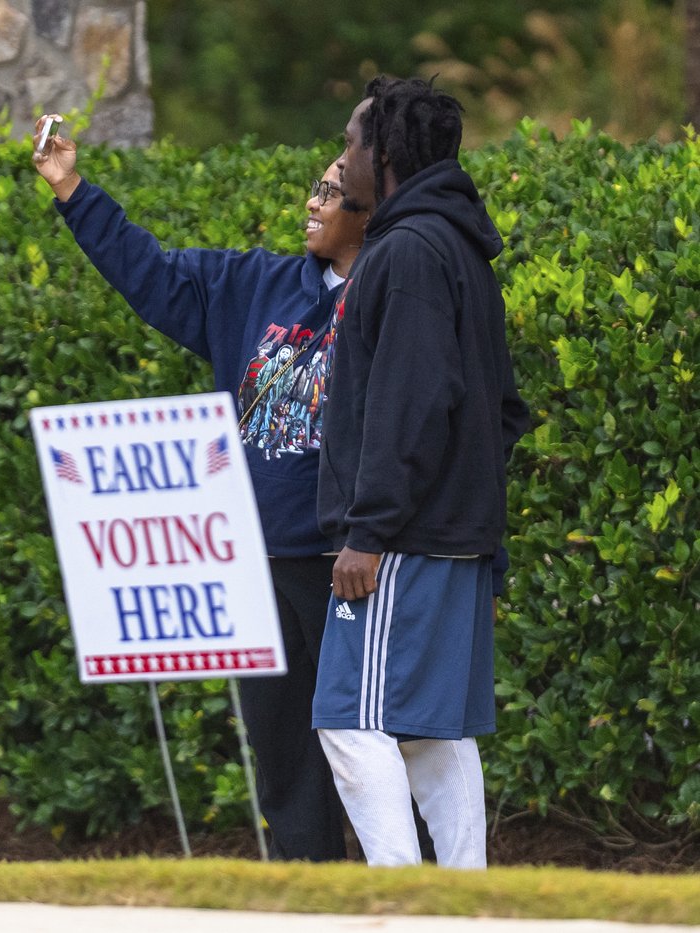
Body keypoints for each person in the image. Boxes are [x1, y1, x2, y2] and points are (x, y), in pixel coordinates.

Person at [31, 115, 367, 861]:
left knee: (375, 745)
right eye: (314, 187)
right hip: (257, 559)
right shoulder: (254, 284)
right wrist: (72, 190)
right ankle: (309, 898)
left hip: (346, 561)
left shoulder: (389, 298)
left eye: (333, 192)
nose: (312, 202)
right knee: (283, 753)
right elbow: (150, 273)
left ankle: (407, 893)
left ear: (373, 208)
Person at [311, 76, 531, 869]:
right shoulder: (464, 249)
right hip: (454, 535)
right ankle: (466, 903)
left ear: (386, 154)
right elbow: (502, 407)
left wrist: (368, 531)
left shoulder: (404, 251)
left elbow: (409, 404)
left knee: (350, 720)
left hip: (399, 541)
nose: (341, 160)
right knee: (432, 731)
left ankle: (404, 903)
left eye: (349, 143)